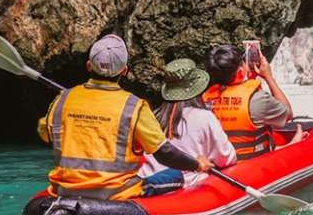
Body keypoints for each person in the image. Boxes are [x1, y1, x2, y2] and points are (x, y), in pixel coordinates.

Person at [37, 34, 213, 200]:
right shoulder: (134, 106)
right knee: (175, 174)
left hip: (65, 189)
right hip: (116, 193)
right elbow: (164, 153)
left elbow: (45, 133)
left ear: (89, 66)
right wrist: (196, 165)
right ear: (124, 71)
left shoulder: (63, 99)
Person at [138, 58, 237, 190]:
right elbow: (226, 158)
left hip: (150, 184)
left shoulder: (154, 116)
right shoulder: (204, 117)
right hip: (183, 187)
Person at [203, 43, 295, 159]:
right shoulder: (257, 99)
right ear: (241, 71)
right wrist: (268, 77)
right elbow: (287, 114)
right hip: (250, 164)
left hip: (220, 164)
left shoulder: (203, 99)